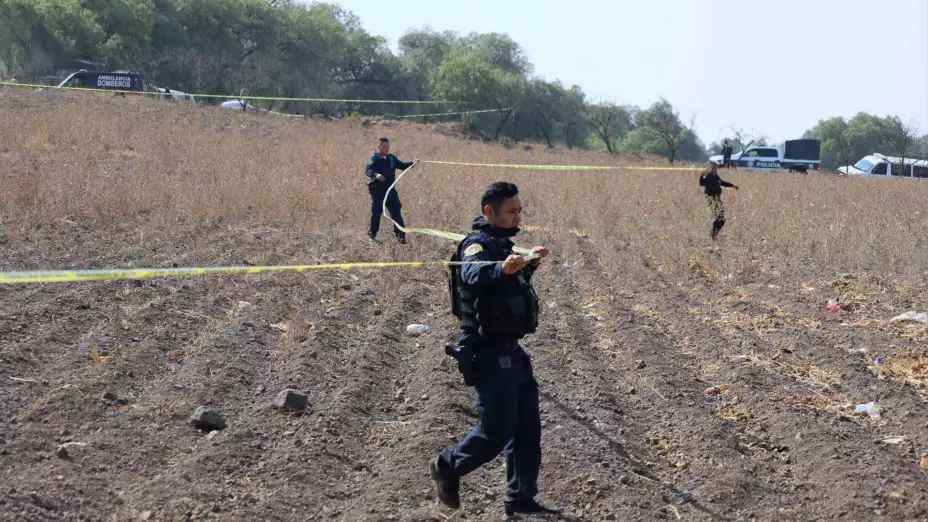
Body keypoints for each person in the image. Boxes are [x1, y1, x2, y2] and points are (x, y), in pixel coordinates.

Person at [430, 181, 555, 517]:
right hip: (487, 352)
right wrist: (500, 267)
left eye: (519, 210)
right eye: (511, 211)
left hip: (513, 353)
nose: (518, 216)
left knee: (527, 430)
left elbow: (505, 288)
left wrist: (528, 264)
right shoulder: (476, 245)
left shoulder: (502, 244)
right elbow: (471, 274)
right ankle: (449, 464)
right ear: (490, 211)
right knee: (497, 432)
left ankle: (521, 499)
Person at [364, 137, 418, 244]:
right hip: (378, 192)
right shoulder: (373, 159)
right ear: (378, 146)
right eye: (384, 146)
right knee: (376, 213)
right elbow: (368, 170)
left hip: (391, 192)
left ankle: (401, 236)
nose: (386, 148)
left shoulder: (392, 158)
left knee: (396, 213)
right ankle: (372, 235)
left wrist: (413, 163)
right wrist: (376, 175)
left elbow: (403, 165)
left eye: (388, 146)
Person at [699, 161, 739, 240]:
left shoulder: (715, 176)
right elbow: (701, 183)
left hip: (718, 199)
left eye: (716, 168)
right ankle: (713, 235)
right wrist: (701, 175)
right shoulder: (707, 176)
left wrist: (732, 185)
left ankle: (713, 234)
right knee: (720, 219)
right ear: (709, 168)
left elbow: (722, 183)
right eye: (713, 168)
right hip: (712, 199)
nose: (714, 170)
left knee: (721, 219)